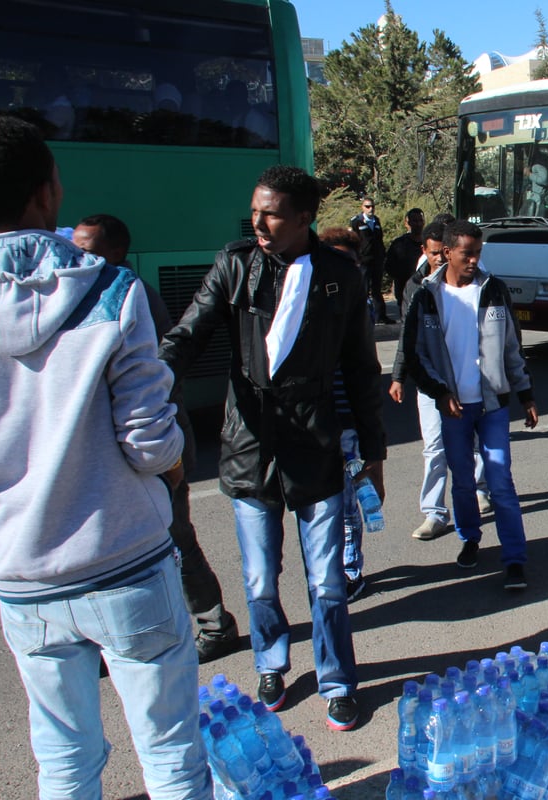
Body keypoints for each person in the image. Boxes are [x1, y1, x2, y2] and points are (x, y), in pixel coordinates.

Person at [0, 116, 210, 798]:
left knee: (64, 760)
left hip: (22, 579)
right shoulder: (108, 290)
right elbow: (150, 441)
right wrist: (168, 469)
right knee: (170, 756)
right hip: (125, 562)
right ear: (47, 194)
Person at [160, 165, 387, 732]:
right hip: (248, 445)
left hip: (317, 446)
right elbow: (188, 335)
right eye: (255, 211)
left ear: (305, 217)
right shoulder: (235, 263)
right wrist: (148, 381)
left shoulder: (339, 275)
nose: (259, 222)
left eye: (273, 214)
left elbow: (361, 368)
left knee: (329, 583)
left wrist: (374, 456)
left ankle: (337, 681)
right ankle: (270, 662)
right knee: (260, 580)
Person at [71, 214, 241, 659]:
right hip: (115, 445)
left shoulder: (129, 296)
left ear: (115, 253)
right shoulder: (88, 292)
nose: (77, 257)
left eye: (87, 249)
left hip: (158, 440)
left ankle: (214, 624)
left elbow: (158, 380)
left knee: (175, 536)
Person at [404, 220, 538, 590]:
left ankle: (514, 559)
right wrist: (440, 392)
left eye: (479, 252)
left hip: (492, 406)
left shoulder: (493, 289)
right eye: (468, 253)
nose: (475, 260)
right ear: (447, 253)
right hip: (453, 410)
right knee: (462, 483)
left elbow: (512, 346)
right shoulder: (425, 294)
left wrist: (525, 394)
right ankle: (471, 538)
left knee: (501, 484)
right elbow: (416, 354)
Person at [390, 221, 492, 541]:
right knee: (434, 448)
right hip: (432, 385)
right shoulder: (416, 287)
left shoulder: (478, 281)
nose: (439, 259)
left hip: (468, 382)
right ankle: (434, 512)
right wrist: (398, 375)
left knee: (472, 443)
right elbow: (410, 339)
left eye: (442, 254)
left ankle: (480, 488)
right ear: (426, 251)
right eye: (433, 253)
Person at [316, 226, 377, 603]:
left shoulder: (362, 307)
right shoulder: (302, 299)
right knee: (317, 506)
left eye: (351, 263)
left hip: (347, 423)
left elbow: (366, 371)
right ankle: (325, 568)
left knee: (345, 502)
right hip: (310, 423)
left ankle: (350, 571)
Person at [350, 196, 391, 323]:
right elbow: (353, 241)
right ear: (362, 207)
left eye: (372, 206)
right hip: (363, 261)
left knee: (377, 290)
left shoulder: (376, 221)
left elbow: (379, 240)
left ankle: (380, 316)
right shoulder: (357, 221)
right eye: (367, 206)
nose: (370, 209)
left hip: (376, 260)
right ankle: (364, 317)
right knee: (364, 289)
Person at [384, 207, 425, 316]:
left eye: (420, 220)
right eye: (415, 221)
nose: (418, 224)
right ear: (408, 223)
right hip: (404, 290)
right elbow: (389, 266)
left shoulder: (429, 244)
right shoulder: (399, 244)